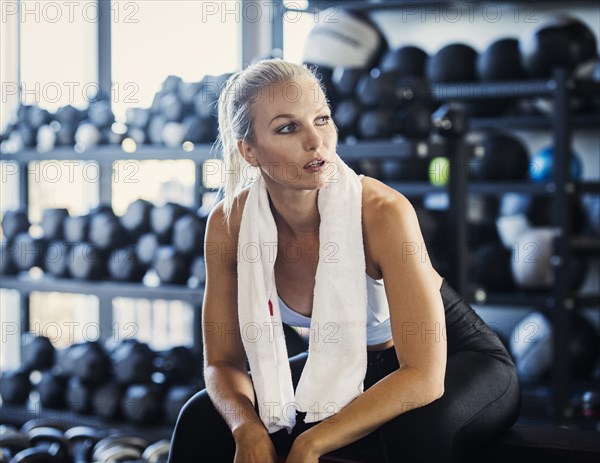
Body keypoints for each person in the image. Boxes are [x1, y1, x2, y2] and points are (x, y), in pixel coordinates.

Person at [167, 59, 520, 463]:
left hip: (457, 361)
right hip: (344, 361)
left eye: (322, 119)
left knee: (414, 430)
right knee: (199, 417)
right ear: (249, 151)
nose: (316, 141)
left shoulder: (383, 212)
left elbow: (423, 377)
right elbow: (222, 362)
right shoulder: (229, 224)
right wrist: (246, 428)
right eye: (287, 127)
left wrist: (311, 442)